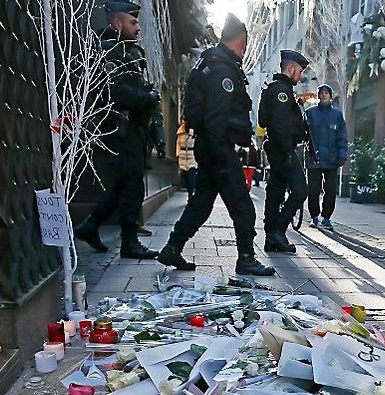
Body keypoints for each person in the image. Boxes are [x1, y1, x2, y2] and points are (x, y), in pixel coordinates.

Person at [156, 13, 274, 276]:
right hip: (218, 147)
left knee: (201, 205)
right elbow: (216, 117)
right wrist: (223, 152)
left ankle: (172, 248)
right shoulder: (223, 70)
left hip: (209, 146)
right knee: (242, 206)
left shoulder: (210, 62)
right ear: (241, 41)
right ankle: (246, 259)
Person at [75, 1, 160, 259]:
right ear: (116, 23)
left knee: (125, 184)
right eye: (132, 22)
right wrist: (148, 98)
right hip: (120, 129)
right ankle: (129, 242)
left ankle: (90, 226)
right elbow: (115, 93)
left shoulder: (130, 52)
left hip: (134, 129)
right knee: (131, 186)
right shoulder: (109, 52)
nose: (137, 27)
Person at [258, 50, 311, 252]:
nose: (300, 76)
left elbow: (266, 121)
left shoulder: (278, 89)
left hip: (279, 148)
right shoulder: (282, 91)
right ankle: (277, 231)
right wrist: (288, 152)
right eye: (299, 71)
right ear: (290, 69)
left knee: (276, 191)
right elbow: (279, 125)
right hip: (283, 149)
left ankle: (272, 237)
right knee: (299, 190)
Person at [305, 84, 348, 230]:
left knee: (330, 190)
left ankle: (327, 217)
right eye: (321, 93)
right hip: (314, 158)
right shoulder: (310, 113)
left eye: (326, 93)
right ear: (318, 96)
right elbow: (303, 134)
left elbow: (342, 137)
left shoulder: (336, 115)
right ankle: (314, 216)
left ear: (330, 95)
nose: (324, 95)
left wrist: (342, 155)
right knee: (313, 189)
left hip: (332, 158)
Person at [176, 118, 197, 199]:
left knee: (192, 176)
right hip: (182, 156)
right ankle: (189, 192)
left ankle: (192, 193)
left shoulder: (192, 130)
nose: (183, 122)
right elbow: (178, 144)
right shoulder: (179, 131)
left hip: (192, 156)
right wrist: (177, 155)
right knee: (186, 177)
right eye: (182, 120)